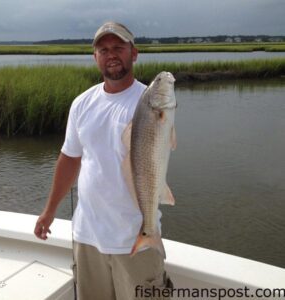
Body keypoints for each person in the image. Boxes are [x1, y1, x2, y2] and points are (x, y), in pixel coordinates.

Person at [34, 21, 172, 300]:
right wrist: (49, 211)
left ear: (134, 53)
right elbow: (69, 159)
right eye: (103, 49)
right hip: (86, 237)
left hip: (135, 239)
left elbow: (165, 143)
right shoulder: (81, 103)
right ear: (95, 57)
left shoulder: (149, 102)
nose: (111, 54)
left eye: (119, 48)